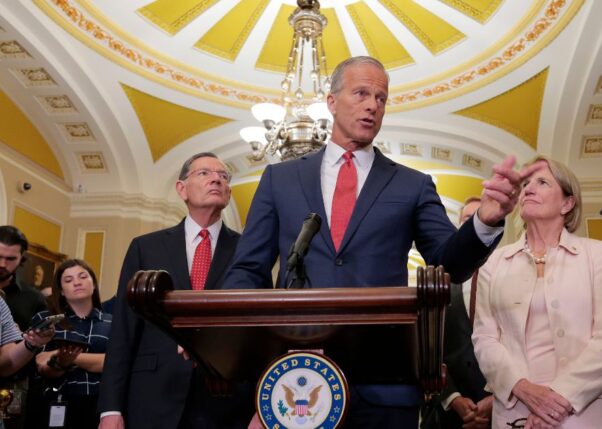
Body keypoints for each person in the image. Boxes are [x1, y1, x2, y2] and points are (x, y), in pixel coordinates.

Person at [224, 56, 524, 428]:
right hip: (297, 378)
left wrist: (485, 221)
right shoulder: (279, 179)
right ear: (331, 102)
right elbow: (249, 269)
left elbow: (450, 263)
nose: (372, 105)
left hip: (385, 383)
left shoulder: (412, 184)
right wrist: (218, 334)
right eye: (361, 93)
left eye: (381, 98)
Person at [98, 152, 251, 429]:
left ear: (228, 192)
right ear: (182, 188)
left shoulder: (248, 250)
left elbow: (257, 329)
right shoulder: (146, 247)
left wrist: (260, 408)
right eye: (204, 173)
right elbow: (124, 330)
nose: (216, 178)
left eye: (223, 176)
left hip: (227, 398)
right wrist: (110, 409)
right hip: (153, 395)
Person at [471, 155, 602, 428]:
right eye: (527, 183)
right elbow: (484, 339)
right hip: (515, 408)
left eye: (542, 182)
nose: (528, 188)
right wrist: (523, 389)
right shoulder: (494, 263)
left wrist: (556, 400)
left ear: (567, 203)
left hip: (585, 407)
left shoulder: (596, 254)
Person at [30, 259, 112, 429]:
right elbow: (41, 364)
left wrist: (68, 357)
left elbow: (116, 362)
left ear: (94, 284)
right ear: (61, 291)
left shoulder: (114, 323)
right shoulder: (47, 320)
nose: (77, 282)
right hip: (55, 401)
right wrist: (60, 364)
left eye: (83, 276)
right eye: (68, 280)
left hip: (101, 405)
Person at [435, 197, 492, 429]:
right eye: (468, 220)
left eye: (481, 217)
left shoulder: (512, 274)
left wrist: (498, 399)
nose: (474, 225)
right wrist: (452, 398)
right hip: (449, 415)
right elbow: (429, 349)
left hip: (503, 410)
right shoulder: (439, 281)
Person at [0, 226, 48, 429]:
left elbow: (39, 344)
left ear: (21, 259)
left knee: (11, 425)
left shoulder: (33, 297)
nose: (2, 264)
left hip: (14, 382)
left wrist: (27, 340)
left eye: (10, 259)